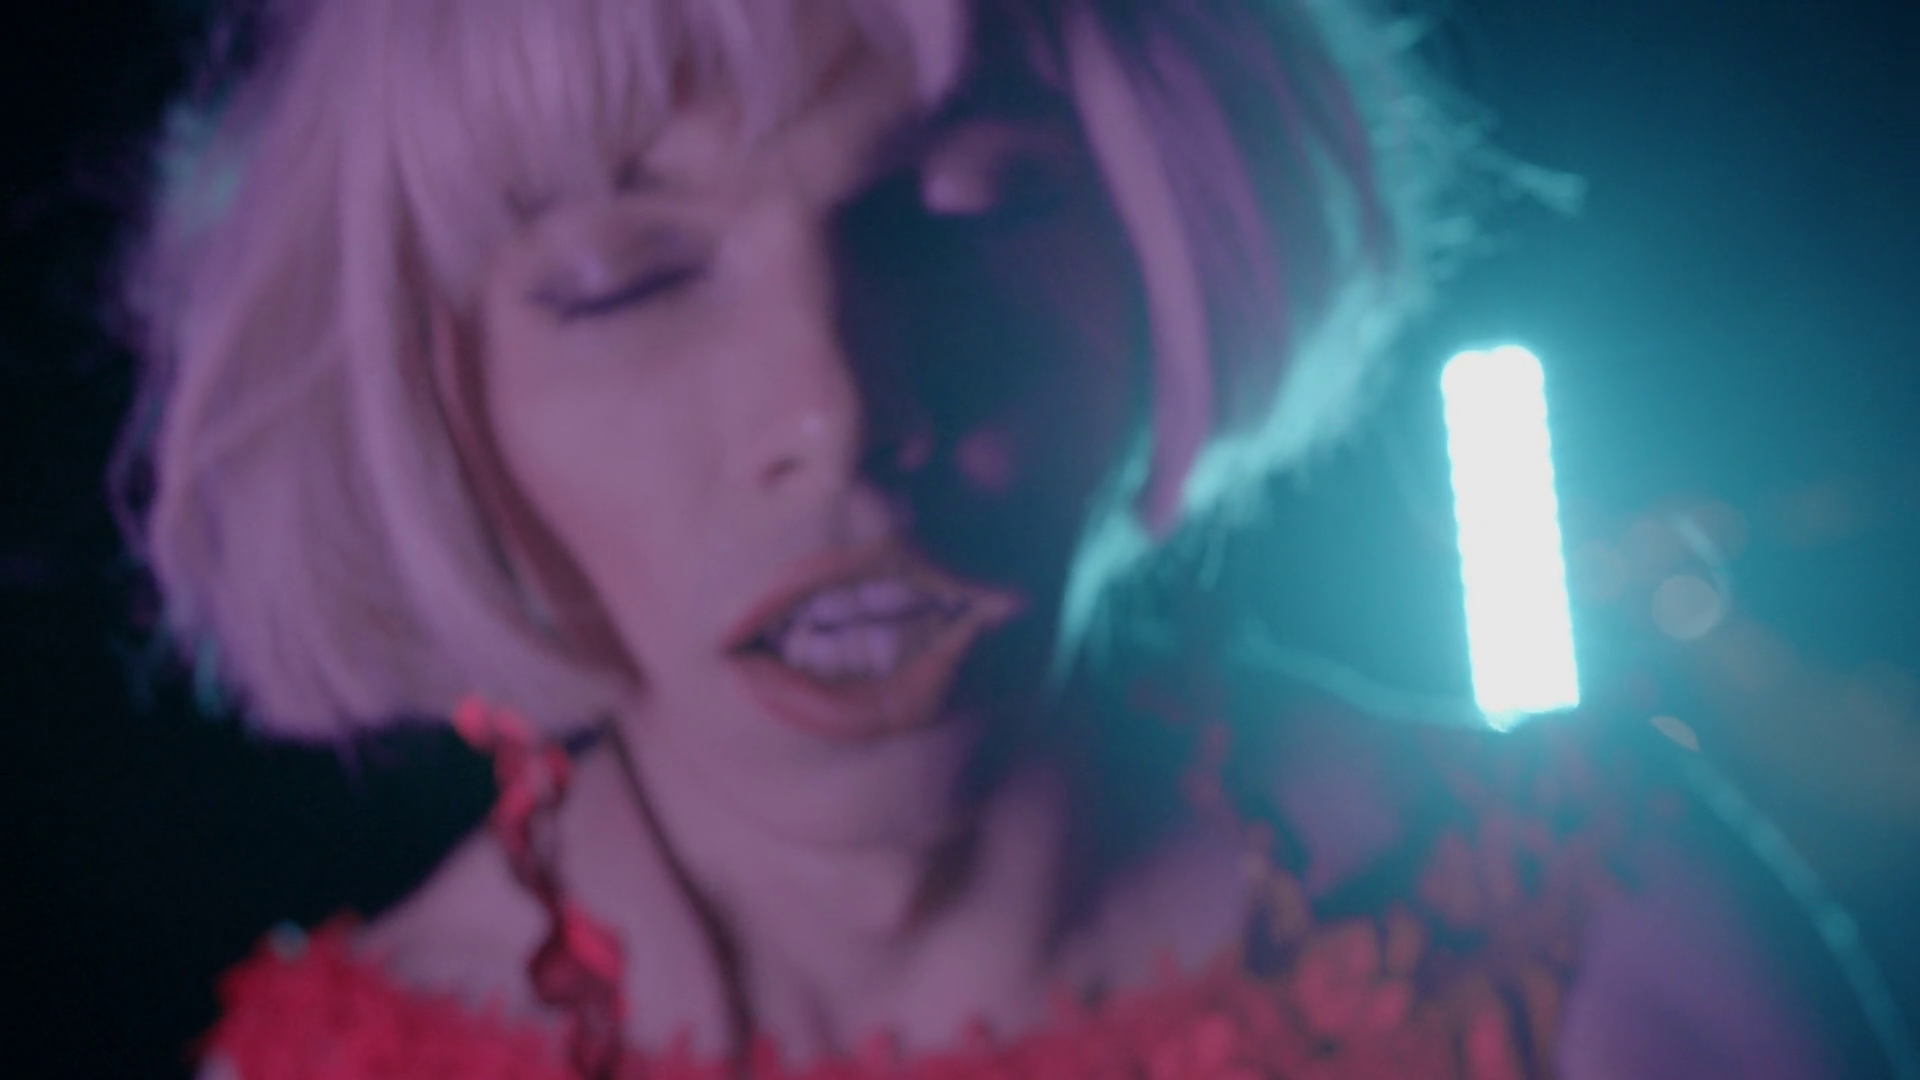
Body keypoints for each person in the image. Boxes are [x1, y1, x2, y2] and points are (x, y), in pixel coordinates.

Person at [111, 0, 1861, 1077]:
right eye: (623, 280)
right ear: (437, 392)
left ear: (1176, 217)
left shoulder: (1602, 966)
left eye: (975, 198)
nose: (838, 408)